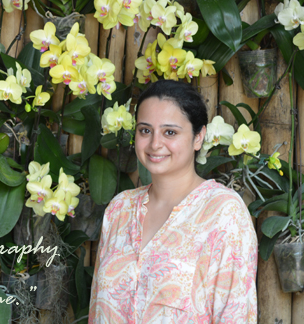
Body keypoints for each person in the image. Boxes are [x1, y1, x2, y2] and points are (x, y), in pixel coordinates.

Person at [88, 79, 258, 323]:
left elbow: (235, 314)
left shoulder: (223, 212)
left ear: (198, 137)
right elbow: (97, 308)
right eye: (145, 130)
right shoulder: (120, 209)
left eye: (170, 132)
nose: (155, 144)